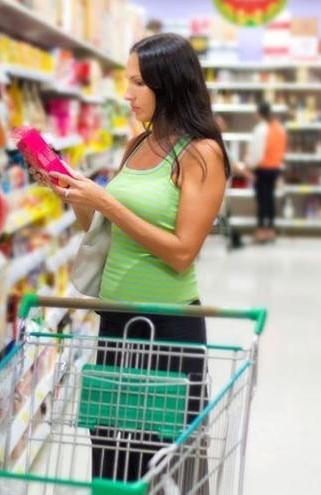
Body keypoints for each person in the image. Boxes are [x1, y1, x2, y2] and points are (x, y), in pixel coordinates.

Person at [29, 33, 229, 485]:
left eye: (138, 82)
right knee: (112, 464)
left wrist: (107, 202)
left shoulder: (201, 153)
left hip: (167, 330)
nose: (127, 93)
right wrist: (72, 194)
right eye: (127, 80)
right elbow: (109, 231)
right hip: (116, 323)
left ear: (168, 84)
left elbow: (182, 252)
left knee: (163, 466)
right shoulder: (136, 146)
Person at [241, 101, 287, 243]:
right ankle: (271, 230)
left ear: (259, 113)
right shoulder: (279, 128)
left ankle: (261, 231)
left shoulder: (261, 129)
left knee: (262, 200)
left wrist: (248, 165)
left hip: (263, 168)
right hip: (275, 168)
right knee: (270, 199)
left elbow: (257, 154)